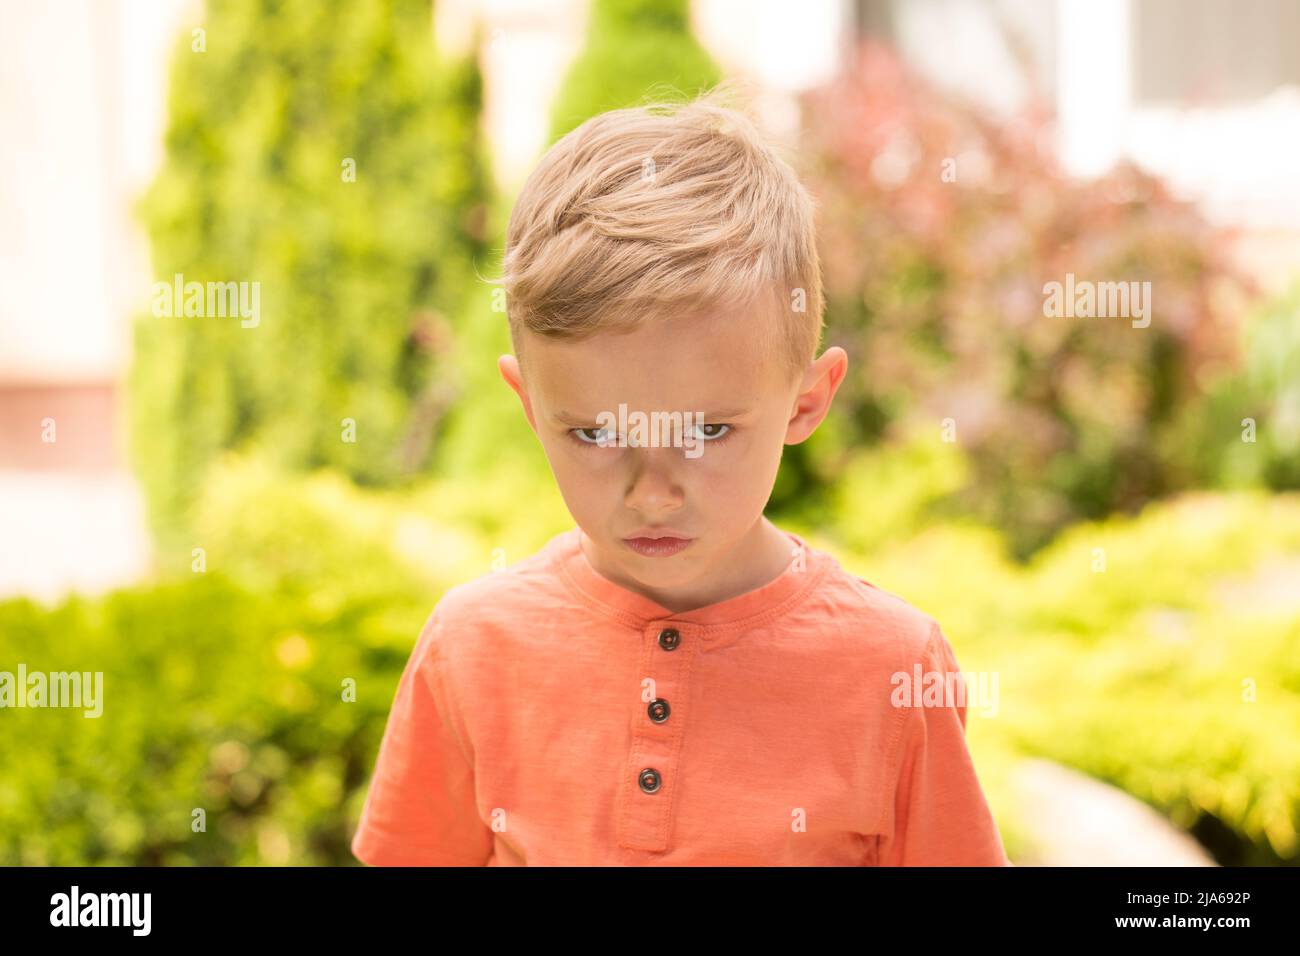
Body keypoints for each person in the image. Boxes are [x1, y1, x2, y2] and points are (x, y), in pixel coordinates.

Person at [351, 85, 1010, 866]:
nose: (653, 490)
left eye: (706, 431)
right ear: (529, 406)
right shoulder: (471, 646)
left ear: (806, 402)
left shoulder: (894, 669)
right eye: (596, 432)